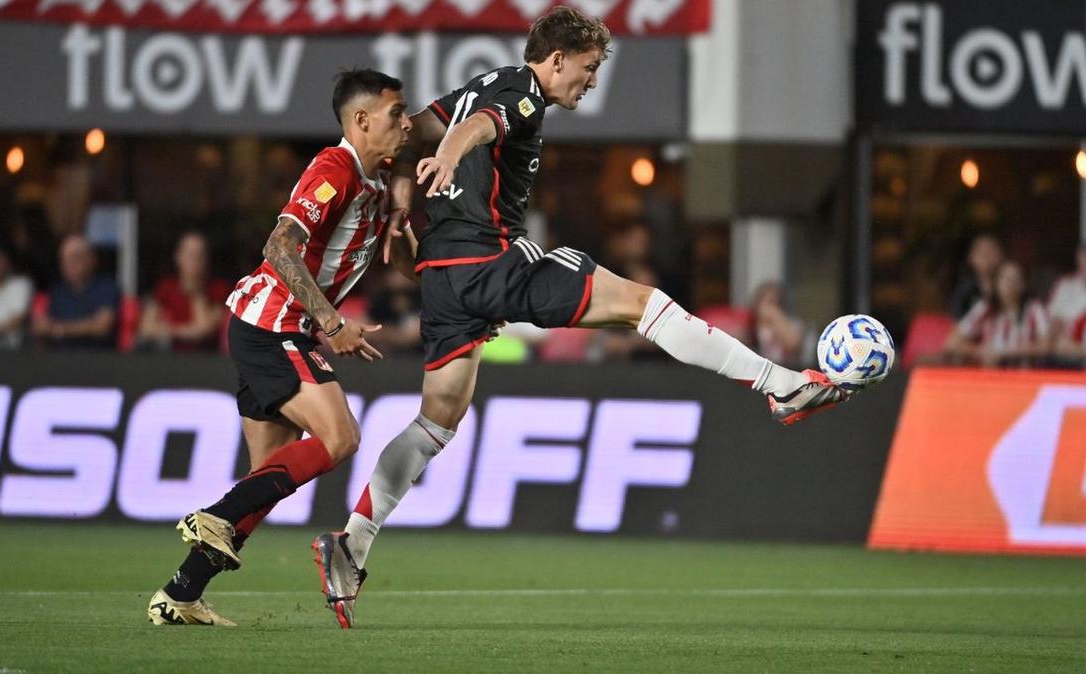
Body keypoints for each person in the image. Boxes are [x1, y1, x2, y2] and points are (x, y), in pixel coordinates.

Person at [318, 6, 852, 629]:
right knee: (641, 303)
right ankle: (780, 385)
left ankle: (351, 544)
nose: (590, 82)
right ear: (555, 60)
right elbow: (482, 130)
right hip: (492, 261)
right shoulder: (521, 94)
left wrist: (406, 186)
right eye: (589, 68)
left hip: (442, 281)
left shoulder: (483, 80)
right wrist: (447, 157)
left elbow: (413, 130)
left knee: (438, 417)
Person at [145, 69, 415, 627]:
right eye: (396, 114)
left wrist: (401, 197)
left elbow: (409, 167)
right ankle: (215, 514)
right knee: (340, 437)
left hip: (265, 325)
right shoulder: (333, 169)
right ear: (361, 121)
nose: (407, 123)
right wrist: (331, 322)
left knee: (267, 478)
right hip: (276, 324)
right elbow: (279, 246)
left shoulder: (371, 179)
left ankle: (180, 593)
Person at [945, 259, 1051, 368]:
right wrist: (981, 351)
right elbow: (952, 342)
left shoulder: (1034, 308)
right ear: (996, 283)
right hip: (990, 375)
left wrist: (1007, 352)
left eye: (1015, 279)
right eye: (1005, 279)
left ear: (1023, 284)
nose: (1010, 284)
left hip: (1024, 376)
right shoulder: (985, 308)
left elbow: (1046, 345)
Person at [136, 231, 228, 352]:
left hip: (205, 358)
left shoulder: (217, 289)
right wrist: (181, 332)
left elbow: (204, 329)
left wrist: (197, 294)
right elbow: (146, 328)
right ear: (178, 257)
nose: (194, 260)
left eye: (199, 254)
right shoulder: (166, 287)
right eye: (190, 254)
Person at [31, 234, 119, 349]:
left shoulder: (107, 287)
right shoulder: (58, 291)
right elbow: (43, 327)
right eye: (64, 260)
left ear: (91, 259)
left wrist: (60, 330)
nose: (69, 265)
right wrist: (42, 327)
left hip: (96, 359)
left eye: (74, 258)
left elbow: (101, 327)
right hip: (58, 359)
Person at [748, 280, 813, 369]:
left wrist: (776, 317)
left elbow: (793, 344)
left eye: (773, 302)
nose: (768, 308)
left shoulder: (793, 324)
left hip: (785, 370)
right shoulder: (750, 323)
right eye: (765, 301)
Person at [948, 232, 1003, 320]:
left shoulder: (1010, 285)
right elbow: (957, 321)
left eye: (992, 251)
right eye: (983, 253)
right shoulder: (964, 290)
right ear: (971, 258)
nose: (987, 257)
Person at [1046, 240, 1086, 345]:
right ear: (1078, 257)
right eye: (1084, 255)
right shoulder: (1064, 285)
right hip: (1061, 352)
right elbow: (1051, 323)